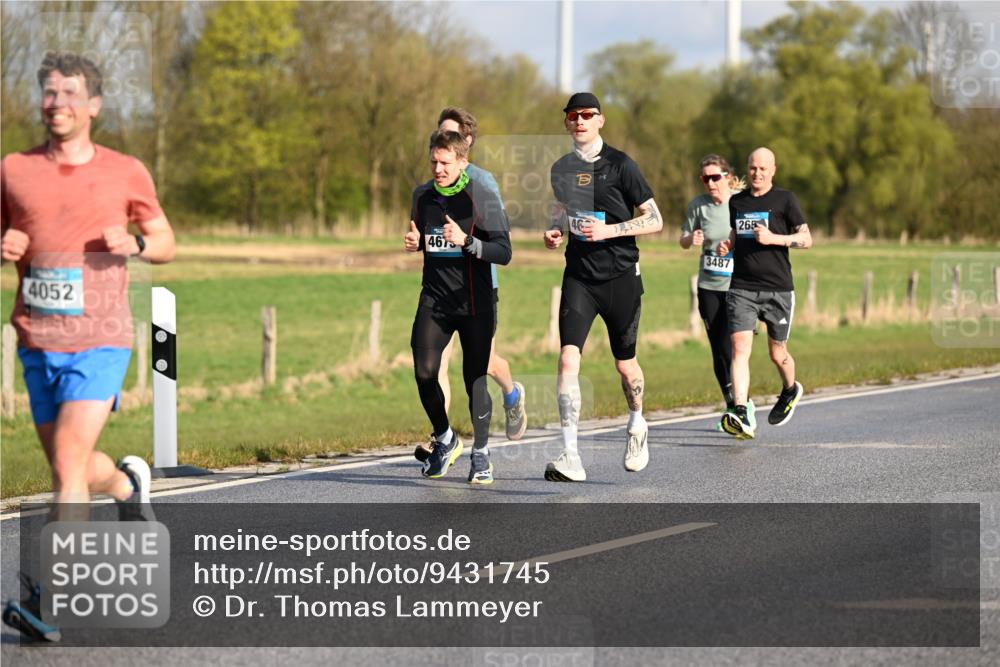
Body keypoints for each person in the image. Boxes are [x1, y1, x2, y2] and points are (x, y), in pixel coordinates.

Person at [1, 52, 176, 641]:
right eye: (49, 93)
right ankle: (128, 486)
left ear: (94, 106)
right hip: (35, 337)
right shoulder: (14, 170)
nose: (58, 104)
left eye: (70, 94)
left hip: (101, 337)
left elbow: (165, 241)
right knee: (68, 466)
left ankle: (49, 599)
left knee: (69, 463)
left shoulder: (126, 171)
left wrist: (133, 245)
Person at [542, 92, 663, 482]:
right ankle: (571, 455)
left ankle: (637, 424)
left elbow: (656, 219)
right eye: (573, 115)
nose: (580, 121)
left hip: (621, 276)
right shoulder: (560, 168)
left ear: (600, 120)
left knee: (625, 367)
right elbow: (563, 208)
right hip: (579, 276)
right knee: (566, 359)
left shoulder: (621, 165)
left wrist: (610, 230)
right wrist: (555, 229)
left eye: (587, 115)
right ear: (566, 123)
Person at [413, 107, 526, 465]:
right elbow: (431, 237)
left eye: (451, 143)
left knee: (481, 369)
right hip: (438, 296)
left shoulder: (483, 186)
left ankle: (505, 405)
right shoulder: (423, 194)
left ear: (465, 150)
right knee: (431, 367)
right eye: (435, 156)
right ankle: (443, 439)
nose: (438, 165)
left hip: (479, 290)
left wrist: (466, 242)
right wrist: (417, 241)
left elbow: (502, 248)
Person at [716, 147, 811, 439]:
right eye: (753, 168)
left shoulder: (786, 200)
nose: (757, 173)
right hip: (742, 287)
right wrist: (728, 244)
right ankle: (741, 410)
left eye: (762, 168)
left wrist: (774, 239)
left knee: (777, 353)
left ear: (773, 170)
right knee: (740, 348)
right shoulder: (737, 202)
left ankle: (790, 389)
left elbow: (806, 239)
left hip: (778, 289)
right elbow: (736, 231)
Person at [680, 155, 744, 430]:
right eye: (705, 178)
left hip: (738, 286)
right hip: (708, 286)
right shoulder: (699, 205)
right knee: (718, 349)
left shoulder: (742, 201)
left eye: (715, 177)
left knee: (734, 347)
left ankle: (743, 406)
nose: (710, 183)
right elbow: (683, 239)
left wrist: (733, 247)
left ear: (727, 176)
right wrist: (690, 239)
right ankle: (732, 406)